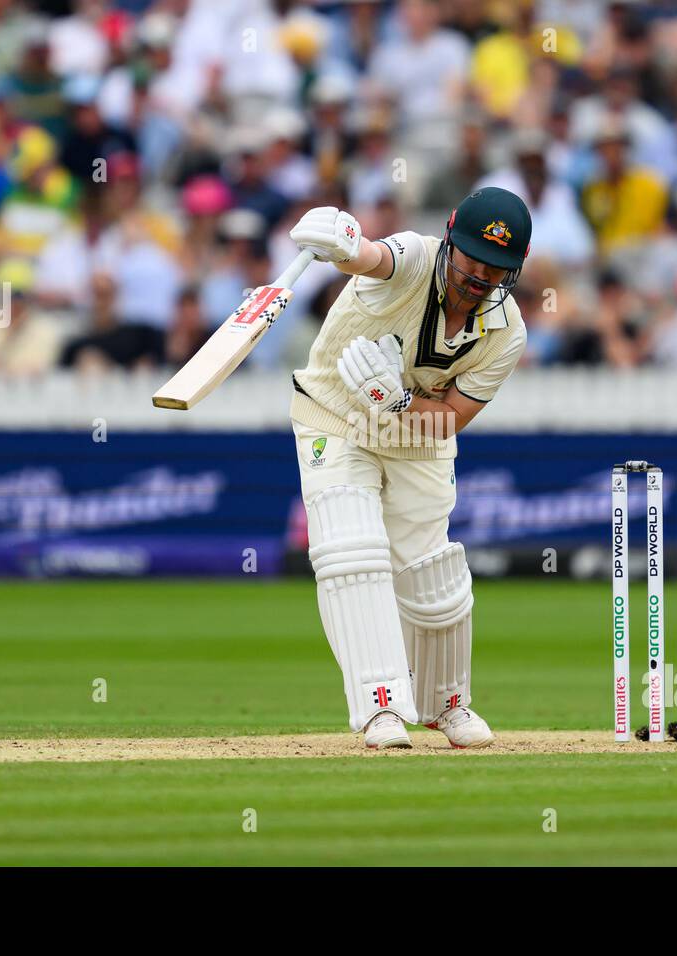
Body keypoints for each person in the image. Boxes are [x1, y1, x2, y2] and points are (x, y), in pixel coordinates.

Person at [285, 187, 531, 750]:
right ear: (449, 240)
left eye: (497, 268)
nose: (480, 276)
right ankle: (381, 709)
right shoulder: (416, 258)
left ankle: (448, 704)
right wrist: (343, 243)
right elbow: (370, 257)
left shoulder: (508, 332)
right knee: (352, 552)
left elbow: (449, 421)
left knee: (431, 573)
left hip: (416, 434)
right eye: (472, 258)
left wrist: (397, 402)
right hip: (336, 416)